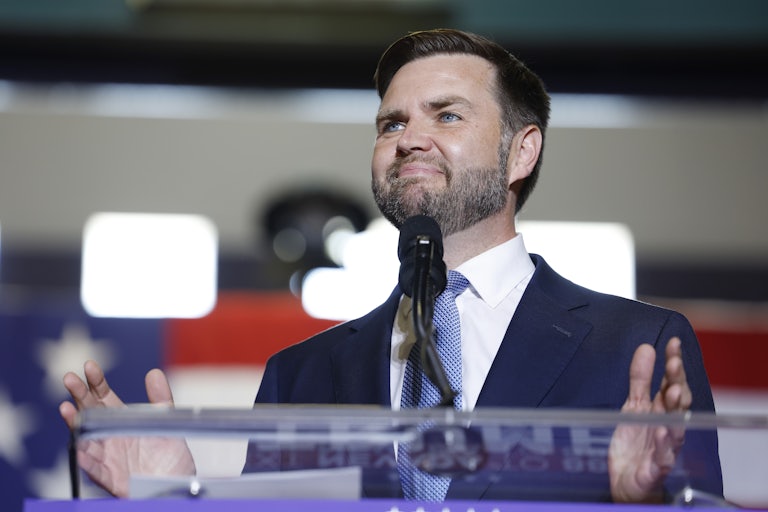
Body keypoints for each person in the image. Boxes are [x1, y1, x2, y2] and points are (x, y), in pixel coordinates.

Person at [61, 28, 722, 504]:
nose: (408, 139)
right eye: (390, 123)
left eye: (448, 114)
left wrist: (648, 505)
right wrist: (181, 496)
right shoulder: (300, 375)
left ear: (521, 154)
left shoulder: (638, 348)